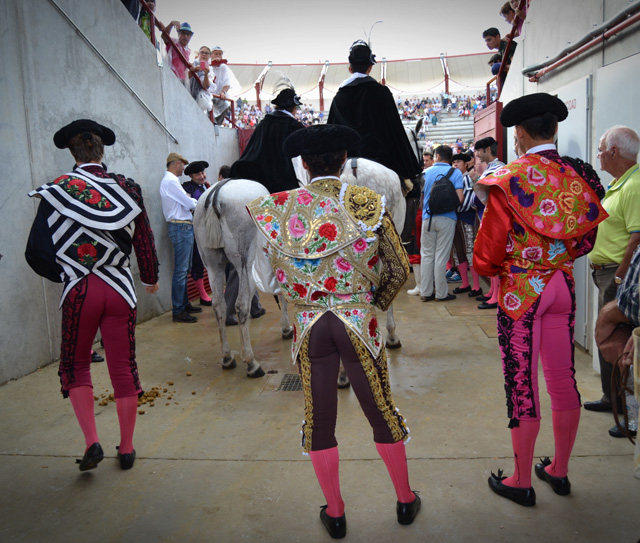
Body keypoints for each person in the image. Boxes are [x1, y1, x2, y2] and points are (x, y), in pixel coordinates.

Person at [247, 125, 420, 538]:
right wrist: (368, 305)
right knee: (380, 411)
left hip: (309, 324)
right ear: (344, 160)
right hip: (358, 321)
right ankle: (404, 499)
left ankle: (337, 513)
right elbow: (399, 270)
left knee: (319, 418)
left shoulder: (276, 208)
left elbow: (264, 281)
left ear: (303, 164)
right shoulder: (366, 201)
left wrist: (304, 289)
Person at [473, 93, 606, 507]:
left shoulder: (509, 177)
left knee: (522, 381)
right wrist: (556, 258)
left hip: (521, 292)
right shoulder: (579, 175)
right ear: (555, 129)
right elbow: (586, 238)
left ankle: (520, 479)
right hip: (562, 285)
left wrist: (507, 270)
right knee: (563, 379)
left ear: (520, 134)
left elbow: (486, 255)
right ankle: (559, 471)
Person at [25, 119, 160, 471]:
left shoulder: (56, 190)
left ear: (73, 152)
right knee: (123, 368)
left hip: (80, 289)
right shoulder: (128, 188)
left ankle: (92, 443)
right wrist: (150, 276)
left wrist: (68, 273)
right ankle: (127, 448)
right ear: (102, 150)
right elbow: (143, 239)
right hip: (119, 287)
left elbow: (37, 251)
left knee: (76, 364)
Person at [585, 126, 640, 431]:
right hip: (608, 274)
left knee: (619, 345)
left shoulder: (634, 186)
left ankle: (627, 414)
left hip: (619, 276)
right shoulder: (621, 183)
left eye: (602, 148)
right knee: (607, 340)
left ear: (614, 152)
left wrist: (620, 279)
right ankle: (612, 399)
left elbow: (637, 237)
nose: (599, 155)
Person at [327, 40, 421, 195]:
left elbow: (332, 130)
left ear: (350, 68)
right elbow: (394, 129)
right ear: (370, 68)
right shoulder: (381, 92)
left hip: (345, 160)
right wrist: (411, 169)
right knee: (411, 189)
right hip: (381, 158)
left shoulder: (339, 97)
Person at [235, 77, 305, 193]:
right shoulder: (294, 126)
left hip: (255, 174)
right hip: (282, 180)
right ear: (294, 108)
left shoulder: (263, 123)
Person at [159, 152, 202, 323]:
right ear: (176, 163)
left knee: (184, 269)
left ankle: (183, 304)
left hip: (182, 226)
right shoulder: (170, 181)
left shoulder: (170, 181)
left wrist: (189, 199)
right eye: (182, 165)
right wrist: (191, 200)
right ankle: (178, 309)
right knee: (181, 270)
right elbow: (190, 203)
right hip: (181, 226)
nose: (183, 168)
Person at [420, 145, 464, 302]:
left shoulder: (425, 173)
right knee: (441, 256)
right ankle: (441, 293)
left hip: (428, 218)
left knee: (426, 255)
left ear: (436, 156)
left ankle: (425, 292)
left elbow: (421, 199)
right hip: (447, 218)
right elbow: (460, 199)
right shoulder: (456, 173)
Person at [472, 136, 505, 309]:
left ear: (487, 150)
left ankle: (497, 295)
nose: (477, 154)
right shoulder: (494, 167)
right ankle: (493, 291)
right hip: (488, 214)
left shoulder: (498, 168)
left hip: (494, 216)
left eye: (479, 150)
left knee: (494, 255)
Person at [450, 152, 482, 297]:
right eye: (454, 162)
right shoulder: (454, 178)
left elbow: (474, 198)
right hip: (455, 217)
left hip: (467, 216)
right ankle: (465, 283)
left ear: (466, 164)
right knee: (458, 251)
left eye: (458, 162)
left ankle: (476, 286)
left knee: (470, 250)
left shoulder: (469, 178)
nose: (455, 164)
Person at [182, 160, 212, 306]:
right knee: (198, 261)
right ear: (191, 176)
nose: (202, 176)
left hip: (209, 228)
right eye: (198, 174)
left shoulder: (207, 186)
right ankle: (202, 294)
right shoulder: (187, 187)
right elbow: (188, 205)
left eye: (203, 172)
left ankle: (213, 289)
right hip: (196, 229)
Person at [407, 148, 434, 295]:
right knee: (427, 251)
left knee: (416, 250)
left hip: (416, 215)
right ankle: (425, 285)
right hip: (426, 215)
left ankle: (421, 286)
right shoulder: (427, 175)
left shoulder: (416, 177)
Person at [209, 46, 239, 125]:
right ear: (211, 55)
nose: (218, 56)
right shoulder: (207, 65)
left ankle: (217, 124)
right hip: (208, 95)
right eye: (216, 54)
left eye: (220, 54)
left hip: (219, 95)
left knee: (226, 103)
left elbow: (227, 83)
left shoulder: (224, 67)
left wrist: (223, 92)